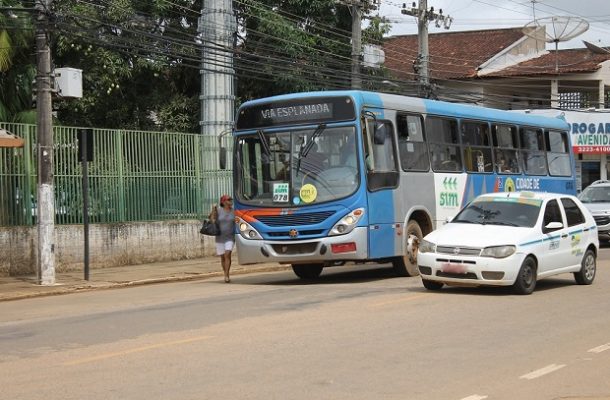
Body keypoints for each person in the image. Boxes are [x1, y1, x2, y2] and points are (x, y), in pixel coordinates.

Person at [210, 194, 235, 283]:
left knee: (227, 254)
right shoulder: (219, 211)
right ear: (223, 202)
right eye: (228, 200)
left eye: (231, 200)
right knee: (222, 258)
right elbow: (212, 220)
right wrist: (213, 210)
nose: (230, 201)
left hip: (230, 237)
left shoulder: (234, 211)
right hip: (220, 237)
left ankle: (226, 275)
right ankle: (225, 273)